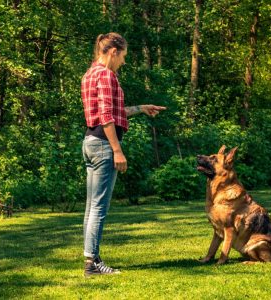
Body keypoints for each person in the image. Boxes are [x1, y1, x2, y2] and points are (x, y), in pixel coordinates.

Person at [81, 32, 166, 277]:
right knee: (99, 207)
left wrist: (141, 108)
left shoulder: (89, 74)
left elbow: (111, 112)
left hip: (90, 141)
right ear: (113, 51)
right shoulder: (107, 75)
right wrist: (117, 150)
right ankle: (92, 264)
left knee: (91, 207)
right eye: (124, 56)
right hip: (103, 145)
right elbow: (107, 116)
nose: (124, 62)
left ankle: (91, 259)